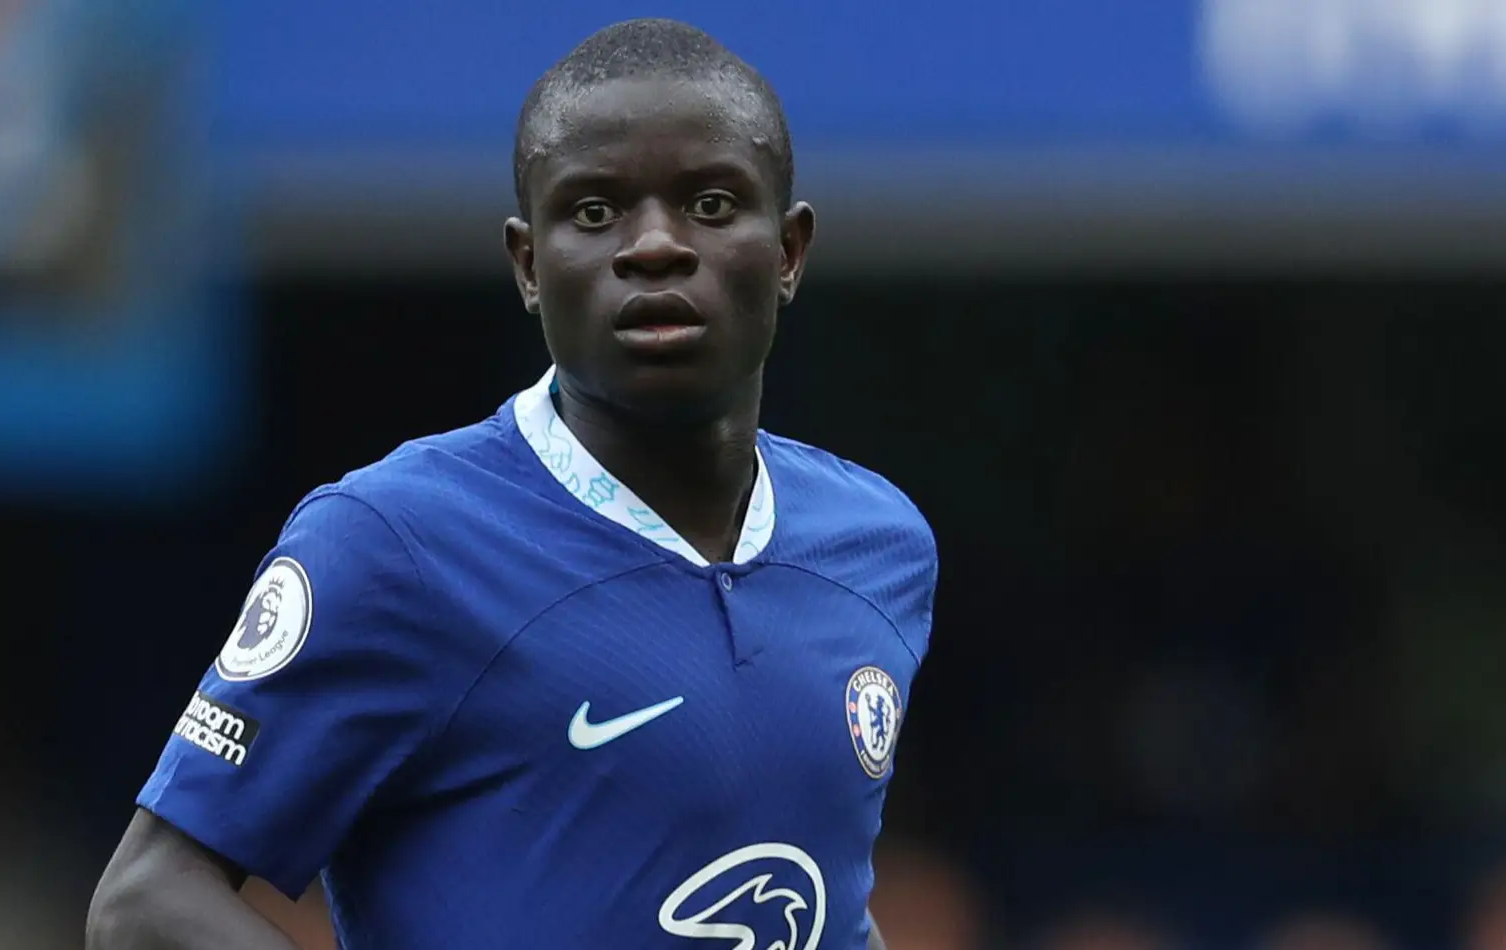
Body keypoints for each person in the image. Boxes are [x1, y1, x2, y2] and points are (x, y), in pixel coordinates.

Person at [85, 17, 937, 950]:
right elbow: (146, 903)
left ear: (788, 251)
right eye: (595, 212)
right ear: (528, 265)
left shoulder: (877, 546)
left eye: (710, 203)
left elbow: (826, 894)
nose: (655, 246)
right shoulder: (395, 543)